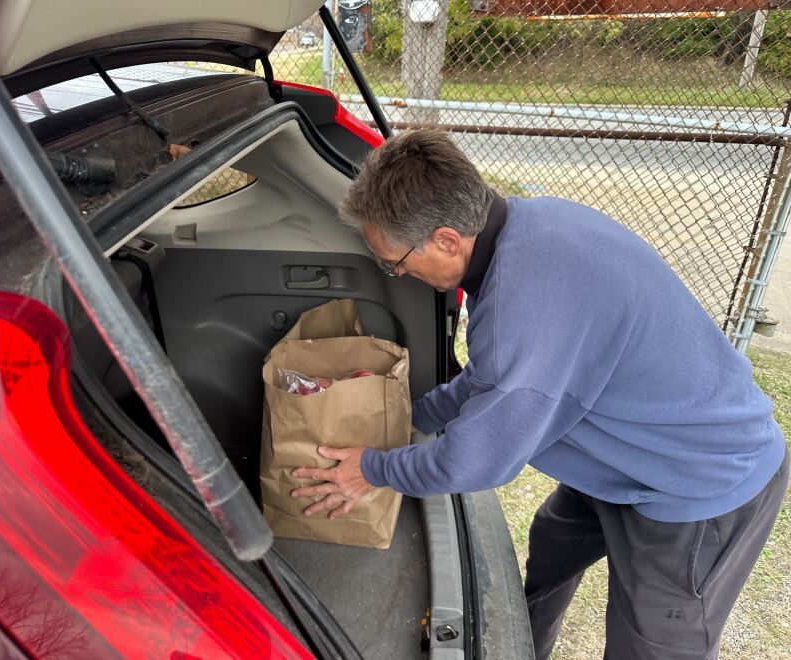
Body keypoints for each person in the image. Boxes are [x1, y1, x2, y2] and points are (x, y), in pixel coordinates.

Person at [290, 128, 788, 659]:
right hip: (620, 456)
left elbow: (474, 462)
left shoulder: (521, 305)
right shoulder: (527, 226)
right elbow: (489, 383)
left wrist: (371, 469)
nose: (399, 273)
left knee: (652, 643)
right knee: (555, 542)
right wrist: (401, 415)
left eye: (395, 261)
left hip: (696, 480)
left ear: (445, 240)